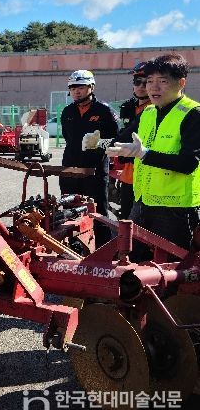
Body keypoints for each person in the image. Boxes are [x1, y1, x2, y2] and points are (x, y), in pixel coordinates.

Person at [106, 53, 200, 257]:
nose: (153, 87)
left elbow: (188, 164)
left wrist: (144, 154)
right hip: (142, 203)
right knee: (133, 260)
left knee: (172, 266)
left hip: (175, 209)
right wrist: (100, 144)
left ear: (181, 83)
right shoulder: (148, 113)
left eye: (162, 81)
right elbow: (121, 141)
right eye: (149, 81)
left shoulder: (193, 113)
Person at [61, 69, 119, 246]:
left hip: (95, 172)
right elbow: (68, 138)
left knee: (98, 212)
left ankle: (104, 250)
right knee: (70, 211)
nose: (76, 92)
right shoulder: (67, 112)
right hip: (70, 170)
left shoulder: (104, 111)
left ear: (91, 87)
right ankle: (75, 247)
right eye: (73, 88)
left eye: (81, 87)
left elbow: (116, 139)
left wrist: (99, 145)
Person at [115, 62, 151, 219]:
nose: (141, 86)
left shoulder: (156, 109)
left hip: (148, 175)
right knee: (125, 219)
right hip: (128, 174)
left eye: (146, 82)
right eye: (137, 82)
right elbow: (122, 134)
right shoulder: (128, 107)